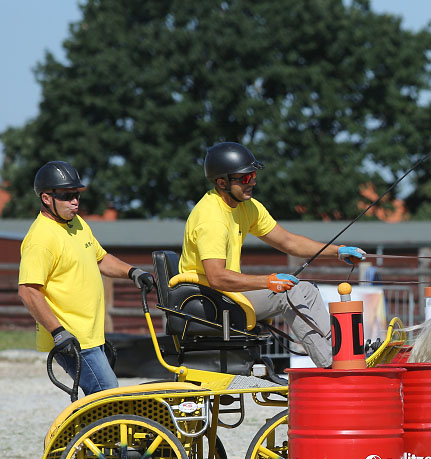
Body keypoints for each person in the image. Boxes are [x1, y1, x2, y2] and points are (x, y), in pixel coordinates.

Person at [179, 142, 366, 368]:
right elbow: (217, 277)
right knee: (288, 293)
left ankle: (344, 351)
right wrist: (268, 281)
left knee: (304, 289)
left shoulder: (247, 207)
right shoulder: (211, 219)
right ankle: (332, 364)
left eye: (254, 175)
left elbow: (288, 241)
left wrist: (337, 251)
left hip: (227, 296)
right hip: (209, 300)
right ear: (222, 182)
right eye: (246, 178)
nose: (253, 182)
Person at [18, 161, 156, 397]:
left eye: (77, 194)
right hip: (71, 339)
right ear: (46, 198)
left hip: (91, 334)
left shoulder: (77, 224)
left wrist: (133, 272)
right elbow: (28, 291)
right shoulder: (40, 239)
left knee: (102, 399)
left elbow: (101, 259)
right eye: (67, 195)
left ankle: (95, 434)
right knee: (107, 395)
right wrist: (58, 333)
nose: (75, 201)